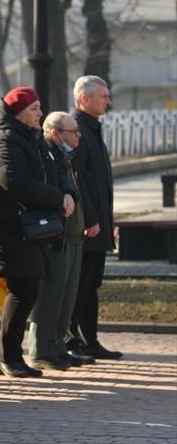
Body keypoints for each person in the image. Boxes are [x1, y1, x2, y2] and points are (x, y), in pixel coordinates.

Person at [0, 86, 77, 378]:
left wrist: (66, 192)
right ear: (18, 111)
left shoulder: (30, 137)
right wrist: (55, 198)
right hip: (11, 227)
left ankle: (13, 354)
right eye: (34, 109)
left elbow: (53, 170)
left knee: (28, 289)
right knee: (21, 290)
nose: (40, 114)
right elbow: (14, 181)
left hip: (30, 227)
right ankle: (7, 356)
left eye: (39, 108)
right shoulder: (4, 139)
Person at [28, 112, 90, 370]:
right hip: (56, 235)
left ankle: (58, 346)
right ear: (55, 133)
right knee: (50, 297)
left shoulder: (65, 157)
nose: (78, 135)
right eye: (72, 131)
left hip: (73, 235)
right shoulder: (46, 154)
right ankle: (41, 349)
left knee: (66, 299)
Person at [68, 76, 123, 360]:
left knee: (91, 285)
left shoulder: (92, 128)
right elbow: (78, 181)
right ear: (84, 99)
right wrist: (90, 218)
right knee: (81, 284)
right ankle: (71, 339)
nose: (108, 101)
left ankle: (89, 339)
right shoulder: (75, 129)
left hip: (99, 223)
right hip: (87, 226)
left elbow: (99, 182)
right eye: (103, 96)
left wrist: (107, 221)